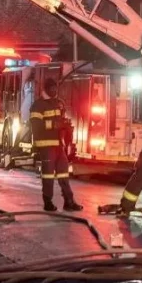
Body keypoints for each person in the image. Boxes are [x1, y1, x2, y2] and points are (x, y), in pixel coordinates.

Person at [29, 78, 83, 212]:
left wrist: (65, 126)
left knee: (64, 173)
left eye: (56, 88)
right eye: (52, 88)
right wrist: (54, 125)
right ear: (46, 89)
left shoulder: (57, 103)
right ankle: (48, 202)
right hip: (46, 146)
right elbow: (35, 126)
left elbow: (61, 121)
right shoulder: (38, 105)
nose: (54, 91)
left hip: (59, 145)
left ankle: (69, 201)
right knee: (48, 175)